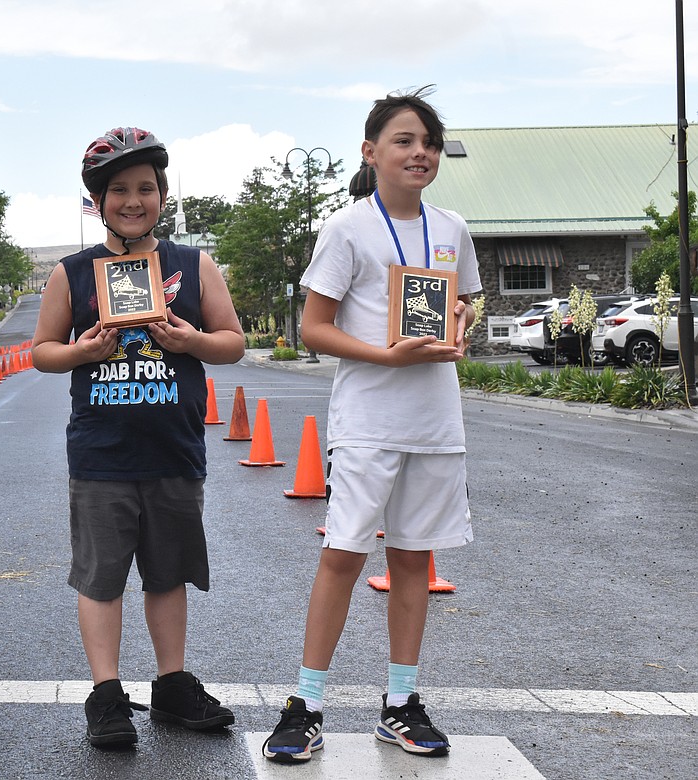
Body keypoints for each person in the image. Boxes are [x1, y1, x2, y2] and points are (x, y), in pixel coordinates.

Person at [262, 87, 482, 764]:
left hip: (435, 421)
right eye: (404, 141)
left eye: (429, 143)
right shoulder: (347, 228)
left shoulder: (453, 229)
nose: (419, 153)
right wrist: (385, 354)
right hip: (366, 424)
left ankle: (400, 703)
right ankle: (307, 703)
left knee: (415, 558)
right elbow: (314, 328)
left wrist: (464, 321)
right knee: (344, 556)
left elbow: (465, 299)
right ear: (371, 152)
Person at [32, 127, 246, 748]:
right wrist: (81, 351)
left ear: (163, 195)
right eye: (118, 190)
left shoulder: (191, 264)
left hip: (174, 450)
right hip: (101, 453)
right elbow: (42, 352)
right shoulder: (72, 273)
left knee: (167, 573)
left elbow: (231, 342)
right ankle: (106, 695)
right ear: (96, 201)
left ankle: (172, 685)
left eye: (146, 188)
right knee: (101, 577)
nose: (133, 200)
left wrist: (191, 341)